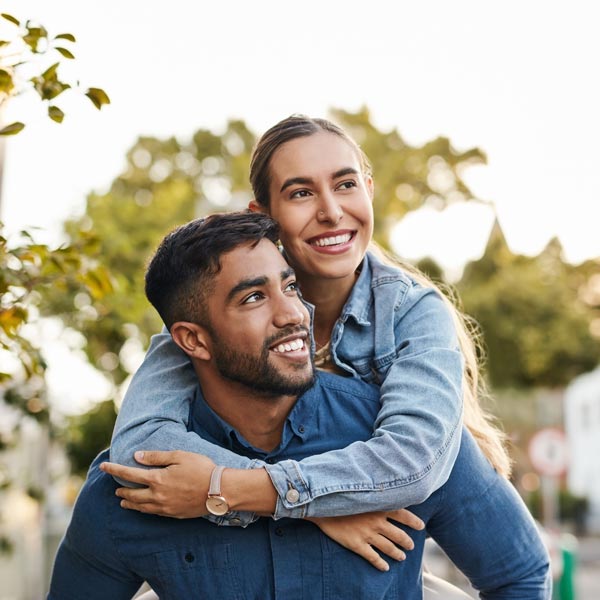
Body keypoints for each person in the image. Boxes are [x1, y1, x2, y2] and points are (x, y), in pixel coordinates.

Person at [49, 213, 550, 599]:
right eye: (252, 298)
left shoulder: (402, 437)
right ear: (192, 341)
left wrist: (232, 490)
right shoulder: (135, 489)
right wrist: (313, 509)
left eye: (290, 286)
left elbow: (521, 575)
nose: (292, 313)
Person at [108, 116, 510, 544]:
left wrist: (226, 489)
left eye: (346, 184)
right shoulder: (217, 316)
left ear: (369, 191)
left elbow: (412, 462)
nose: (332, 211)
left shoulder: (412, 313)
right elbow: (139, 449)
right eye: (301, 193)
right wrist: (315, 512)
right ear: (262, 215)